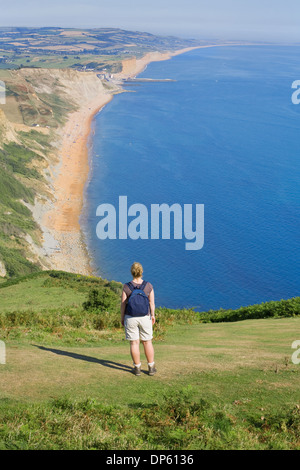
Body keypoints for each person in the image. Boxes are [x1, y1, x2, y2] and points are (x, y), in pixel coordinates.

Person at [121, 262, 156, 376]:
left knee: (134, 343)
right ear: (141, 272)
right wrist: (153, 315)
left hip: (130, 317)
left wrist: (122, 317)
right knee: (147, 342)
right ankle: (151, 367)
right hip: (145, 317)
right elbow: (151, 303)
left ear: (131, 272)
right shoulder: (148, 286)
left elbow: (123, 304)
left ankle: (137, 368)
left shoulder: (126, 286)